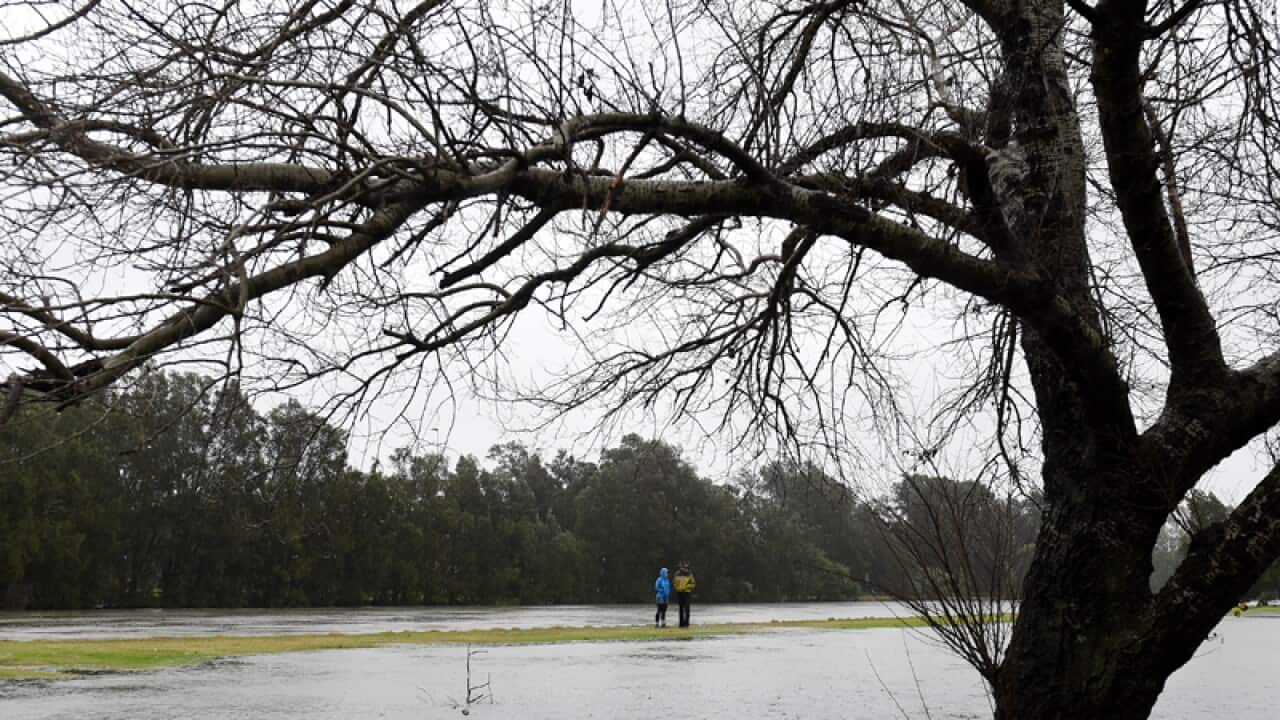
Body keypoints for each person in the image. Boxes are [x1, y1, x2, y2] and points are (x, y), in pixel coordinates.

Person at [672, 561, 696, 627]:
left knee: (687, 608)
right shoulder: (677, 574)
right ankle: (681, 623)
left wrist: (686, 587)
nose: (684, 568)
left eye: (686, 567)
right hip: (679, 593)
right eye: (683, 567)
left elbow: (693, 584)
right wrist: (677, 588)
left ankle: (687, 623)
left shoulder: (690, 574)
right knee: (680, 608)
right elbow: (674, 583)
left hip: (687, 593)